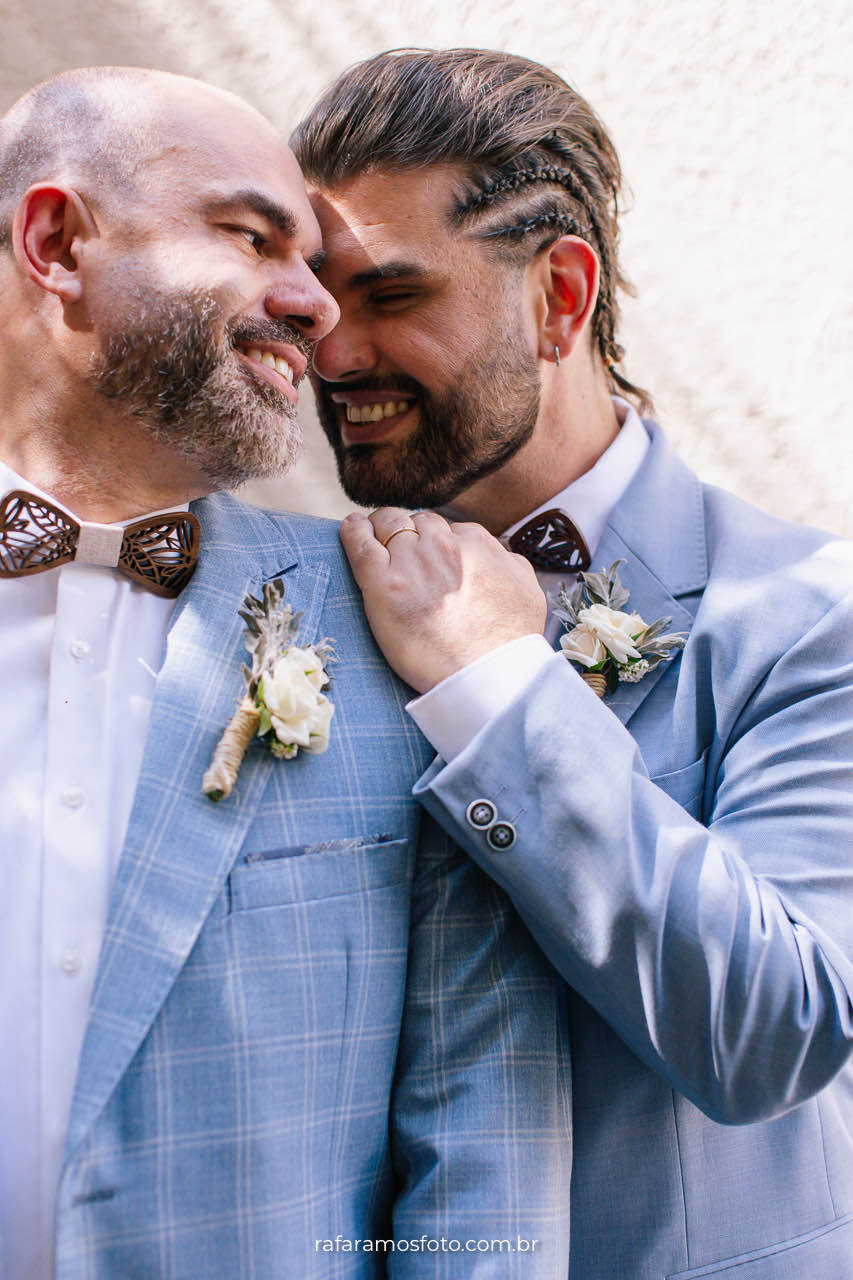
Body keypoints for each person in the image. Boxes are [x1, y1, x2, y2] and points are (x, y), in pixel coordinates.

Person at [0, 66, 572, 1278]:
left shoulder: (401, 625)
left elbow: (484, 1129)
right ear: (56, 241)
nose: (316, 310)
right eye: (253, 235)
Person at [292, 48, 853, 1279]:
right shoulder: (292, 611)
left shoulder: (809, 615)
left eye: (390, 295)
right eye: (318, 305)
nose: (331, 357)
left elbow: (775, 1029)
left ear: (559, 296)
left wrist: (497, 683)